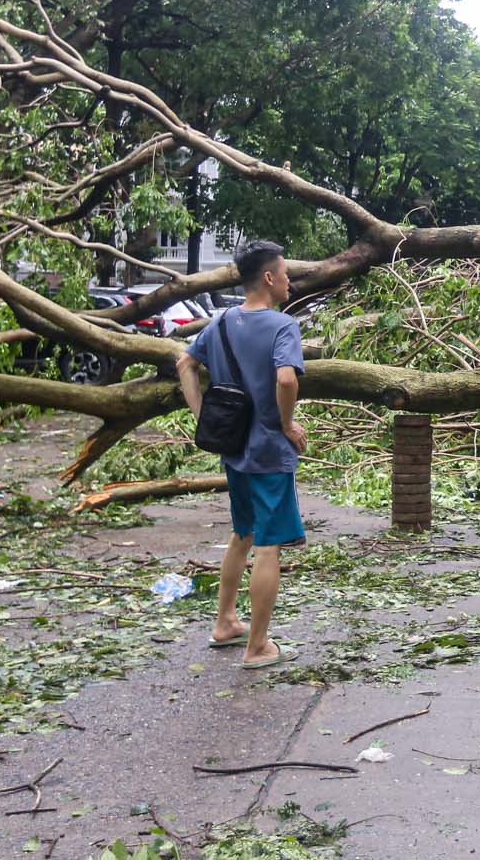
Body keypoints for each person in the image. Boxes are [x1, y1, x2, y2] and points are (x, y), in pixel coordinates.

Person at [176, 239, 308, 669]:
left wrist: (205, 417)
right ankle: (257, 647)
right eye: (286, 273)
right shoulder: (282, 326)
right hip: (269, 452)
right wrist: (287, 425)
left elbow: (184, 364)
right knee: (269, 546)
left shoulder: (221, 321)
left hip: (233, 450)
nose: (290, 280)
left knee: (242, 534)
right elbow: (286, 379)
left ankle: (225, 623)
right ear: (269, 278)